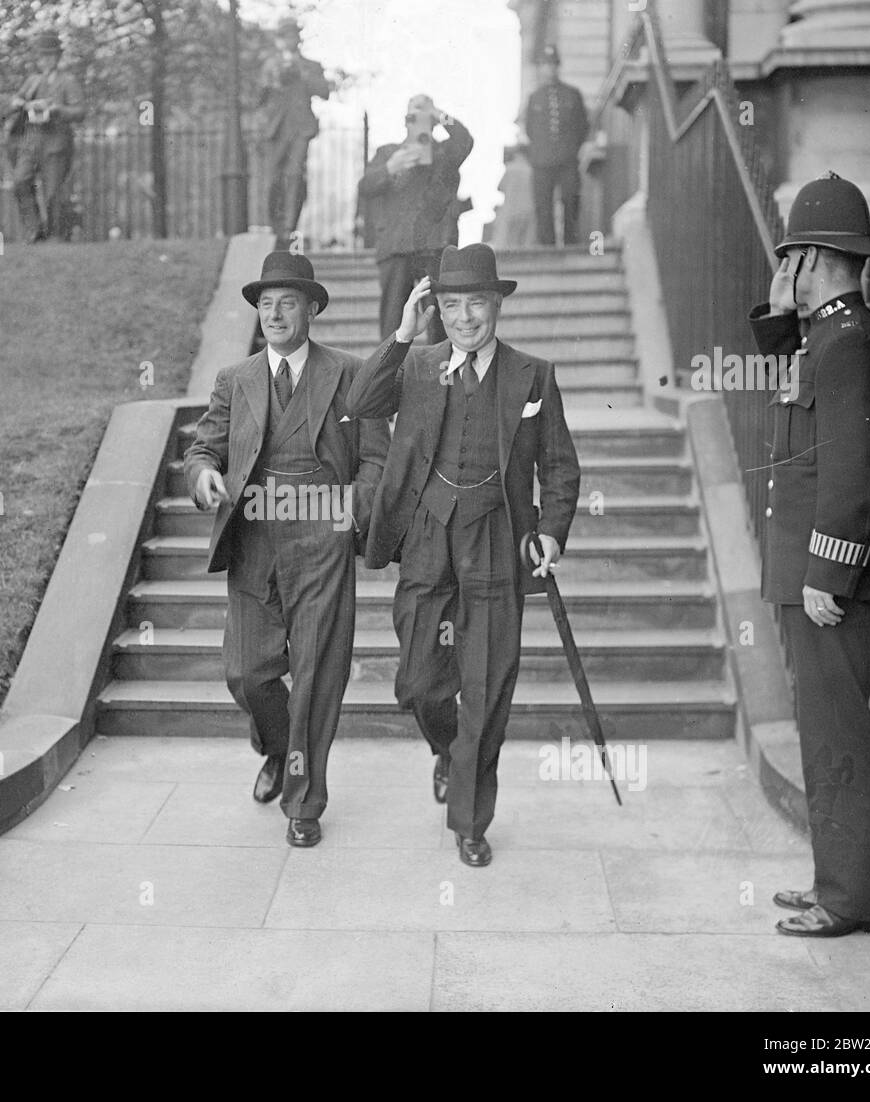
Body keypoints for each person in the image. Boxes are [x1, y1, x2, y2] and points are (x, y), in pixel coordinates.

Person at [345, 244, 580, 867]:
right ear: (436, 309)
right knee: (421, 682)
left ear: (497, 304)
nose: (466, 317)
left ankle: (470, 822)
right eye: (452, 305)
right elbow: (363, 402)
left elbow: (558, 464)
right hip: (427, 536)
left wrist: (552, 530)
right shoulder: (418, 366)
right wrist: (402, 334)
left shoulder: (533, 374)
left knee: (486, 686)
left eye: (477, 303)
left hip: (500, 541)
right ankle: (446, 750)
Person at [183, 252, 390, 847]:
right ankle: (276, 745)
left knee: (318, 677)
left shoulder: (351, 374)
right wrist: (202, 479)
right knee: (247, 674)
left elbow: (378, 455)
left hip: (323, 542)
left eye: (287, 303)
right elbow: (204, 452)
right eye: (265, 304)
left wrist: (356, 508)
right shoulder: (235, 379)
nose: (274, 314)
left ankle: (304, 803)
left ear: (312, 309)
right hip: (254, 538)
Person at [749, 172, 870, 938]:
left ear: (813, 256)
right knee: (823, 730)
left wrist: (826, 574)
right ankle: (842, 884)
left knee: (838, 735)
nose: (786, 274)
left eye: (792, 259)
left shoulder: (849, 342)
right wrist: (782, 307)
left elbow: (853, 468)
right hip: (811, 573)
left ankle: (851, 899)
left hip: (828, 579)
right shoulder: (828, 335)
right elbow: (787, 369)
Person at [358, 95, 472, 347]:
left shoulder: (445, 154)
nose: (416, 123)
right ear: (404, 122)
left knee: (441, 323)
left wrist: (440, 113)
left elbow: (465, 140)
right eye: (412, 117)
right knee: (392, 324)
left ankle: (443, 377)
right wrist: (390, 168)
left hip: (434, 247)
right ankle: (388, 377)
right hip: (395, 246)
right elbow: (364, 187)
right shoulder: (387, 153)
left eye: (423, 117)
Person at [5, 29, 85, 242]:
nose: (45, 60)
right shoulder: (33, 81)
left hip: (56, 142)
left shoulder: (68, 81)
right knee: (20, 181)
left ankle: (57, 236)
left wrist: (57, 110)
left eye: (50, 55)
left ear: (57, 57)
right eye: (42, 56)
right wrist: (26, 104)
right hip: (31, 141)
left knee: (53, 193)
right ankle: (34, 230)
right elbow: (14, 102)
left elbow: (80, 112)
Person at [257, 16, 330, 246]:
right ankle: (275, 225)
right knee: (273, 181)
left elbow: (324, 92)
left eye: (292, 35)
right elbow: (258, 97)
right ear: (279, 40)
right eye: (284, 36)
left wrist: (301, 72)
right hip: (276, 130)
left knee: (295, 177)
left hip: (300, 129)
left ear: (297, 39)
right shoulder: (269, 65)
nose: (289, 40)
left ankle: (290, 226)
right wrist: (274, 76)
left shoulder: (310, 65)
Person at [517, 46, 589, 247]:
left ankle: (571, 245)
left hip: (567, 160)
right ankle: (546, 249)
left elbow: (582, 126)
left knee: (571, 201)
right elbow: (530, 129)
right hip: (542, 161)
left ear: (558, 67)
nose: (549, 69)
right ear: (540, 69)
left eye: (552, 65)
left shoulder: (573, 95)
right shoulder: (534, 98)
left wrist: (572, 149)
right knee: (543, 206)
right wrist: (538, 153)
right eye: (544, 65)